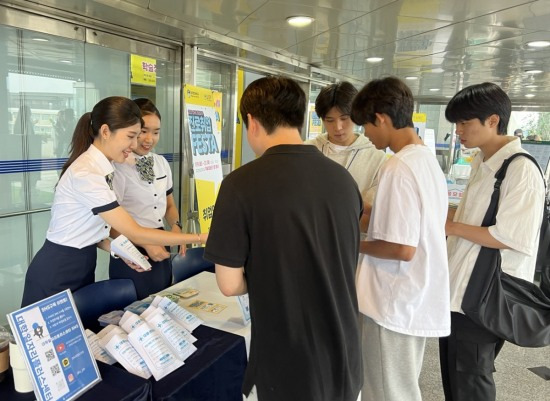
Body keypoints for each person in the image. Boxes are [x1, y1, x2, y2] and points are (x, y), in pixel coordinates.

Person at [204, 76, 363, 401]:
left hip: (289, 362)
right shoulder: (343, 180)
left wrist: (262, 274)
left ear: (251, 121)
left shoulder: (239, 185)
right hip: (345, 352)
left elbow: (229, 284)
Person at [21, 96, 207, 307]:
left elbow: (91, 231)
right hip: (59, 268)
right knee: (50, 338)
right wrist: (202, 236)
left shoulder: (104, 168)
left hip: (82, 263)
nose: (136, 144)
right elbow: (134, 231)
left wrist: (120, 251)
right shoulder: (87, 173)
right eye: (131, 136)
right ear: (106, 131)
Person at [440, 82, 545, 401]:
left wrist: (451, 227)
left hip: (486, 294)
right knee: (455, 375)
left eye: (464, 122)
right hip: (461, 290)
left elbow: (511, 236)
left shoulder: (519, 168)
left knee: (472, 377)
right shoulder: (483, 164)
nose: (458, 131)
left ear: (492, 121)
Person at [350, 76, 450, 401]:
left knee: (387, 393)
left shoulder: (398, 166)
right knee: (401, 388)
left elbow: (402, 247)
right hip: (411, 298)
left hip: (392, 303)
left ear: (381, 118)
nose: (365, 134)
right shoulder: (424, 159)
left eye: (366, 125)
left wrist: (349, 244)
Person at [109, 98, 184, 298]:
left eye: (156, 132)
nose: (149, 138)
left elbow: (169, 205)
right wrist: (145, 244)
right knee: (132, 313)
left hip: (160, 241)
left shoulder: (160, 163)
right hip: (131, 249)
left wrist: (176, 228)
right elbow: (108, 223)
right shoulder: (115, 166)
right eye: (143, 131)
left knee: (162, 302)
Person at [305, 82, 386, 222]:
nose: (338, 127)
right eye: (329, 120)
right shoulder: (307, 150)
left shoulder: (377, 159)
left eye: (344, 118)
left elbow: (373, 217)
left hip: (355, 241)